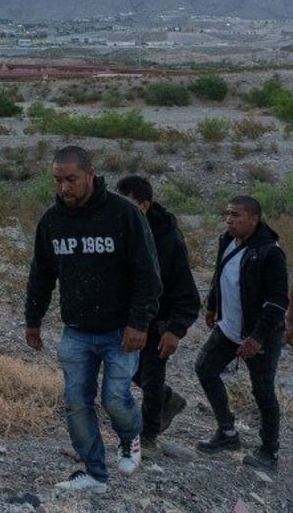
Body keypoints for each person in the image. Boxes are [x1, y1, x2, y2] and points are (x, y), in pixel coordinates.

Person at [25, 146, 161, 494]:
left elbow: (148, 274)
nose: (64, 188)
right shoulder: (52, 221)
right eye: (58, 180)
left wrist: (139, 323)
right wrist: (33, 320)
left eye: (71, 180)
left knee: (115, 398)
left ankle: (130, 437)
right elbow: (41, 274)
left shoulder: (124, 214)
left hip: (120, 330)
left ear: (90, 173)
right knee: (75, 401)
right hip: (77, 332)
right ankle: (94, 473)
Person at [194, 196, 287, 472]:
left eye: (236, 215)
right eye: (227, 214)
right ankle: (227, 432)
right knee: (205, 369)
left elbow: (277, 302)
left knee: (263, 391)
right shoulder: (227, 241)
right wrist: (212, 306)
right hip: (229, 329)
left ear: (254, 219)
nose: (229, 220)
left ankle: (269, 451)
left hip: (261, 336)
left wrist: (256, 338)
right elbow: (219, 275)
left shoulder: (270, 253)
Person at [116, 175, 201, 450]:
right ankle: (168, 400)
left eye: (127, 204)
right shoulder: (121, 229)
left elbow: (187, 294)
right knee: (128, 369)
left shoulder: (168, 240)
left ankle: (149, 437)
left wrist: (175, 330)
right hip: (130, 316)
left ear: (144, 205)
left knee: (152, 375)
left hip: (159, 320)